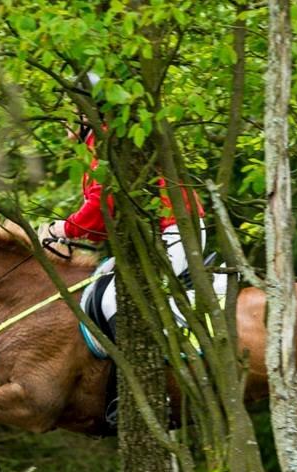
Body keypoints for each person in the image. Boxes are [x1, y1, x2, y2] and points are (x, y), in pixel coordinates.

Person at [38, 82, 206, 354]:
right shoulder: (94, 145)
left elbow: (104, 203)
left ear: (87, 113)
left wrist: (66, 229)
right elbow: (106, 219)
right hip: (158, 236)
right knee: (98, 280)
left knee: (115, 299)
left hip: (175, 232)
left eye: (68, 111)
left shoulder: (105, 144)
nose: (61, 119)